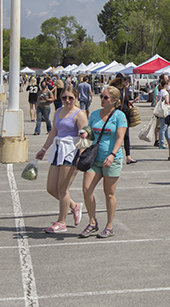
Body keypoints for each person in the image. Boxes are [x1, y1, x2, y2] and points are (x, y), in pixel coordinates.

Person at [35, 86, 88, 233]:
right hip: (58, 151)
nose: (67, 100)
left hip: (72, 151)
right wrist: (44, 149)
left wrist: (81, 155)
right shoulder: (58, 111)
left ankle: (61, 222)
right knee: (51, 188)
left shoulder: (79, 114)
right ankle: (74, 206)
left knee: (62, 189)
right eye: (64, 97)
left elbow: (85, 136)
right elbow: (54, 131)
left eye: (70, 98)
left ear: (75, 98)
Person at [79, 85, 127, 239]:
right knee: (87, 189)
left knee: (109, 194)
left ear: (114, 100)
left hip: (111, 159)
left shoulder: (119, 116)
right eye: (101, 96)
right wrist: (85, 133)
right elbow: (90, 132)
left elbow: (120, 138)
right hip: (95, 159)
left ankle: (109, 226)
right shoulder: (94, 114)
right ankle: (92, 222)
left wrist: (112, 154)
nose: (102, 99)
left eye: (106, 97)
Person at [109, 75, 137, 164]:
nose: (126, 81)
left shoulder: (126, 90)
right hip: (115, 114)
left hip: (125, 114)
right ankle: (112, 154)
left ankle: (128, 156)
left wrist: (133, 101)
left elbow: (126, 101)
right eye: (125, 79)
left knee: (126, 135)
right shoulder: (113, 90)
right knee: (114, 134)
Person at [156, 77, 170, 152]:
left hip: (160, 112)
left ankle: (169, 142)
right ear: (165, 85)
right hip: (165, 112)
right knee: (163, 127)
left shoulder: (160, 91)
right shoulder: (165, 93)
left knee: (166, 128)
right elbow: (167, 101)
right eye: (168, 84)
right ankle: (161, 143)